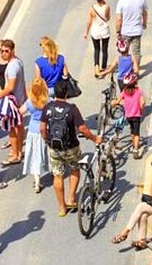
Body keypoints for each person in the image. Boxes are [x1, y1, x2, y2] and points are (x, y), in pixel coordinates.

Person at [42, 80, 101, 217]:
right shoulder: (72, 109)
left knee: (58, 175)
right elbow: (83, 129)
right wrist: (94, 138)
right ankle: (71, 198)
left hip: (54, 147)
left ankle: (62, 208)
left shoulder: (48, 108)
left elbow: (42, 128)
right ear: (67, 93)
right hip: (71, 147)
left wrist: (47, 140)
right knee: (75, 169)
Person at [0, 39, 27, 167]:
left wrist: (0, 93)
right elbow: (22, 82)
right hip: (19, 98)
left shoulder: (11, 66)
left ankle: (16, 154)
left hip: (12, 100)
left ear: (12, 50)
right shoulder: (19, 62)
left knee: (11, 127)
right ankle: (19, 151)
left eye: (6, 51)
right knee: (19, 125)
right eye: (1, 51)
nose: (3, 53)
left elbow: (10, 86)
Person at [19, 77, 49, 193]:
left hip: (33, 130)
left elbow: (21, 112)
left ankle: (37, 182)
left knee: (35, 156)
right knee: (47, 152)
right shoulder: (48, 101)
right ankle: (52, 171)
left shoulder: (30, 102)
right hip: (46, 129)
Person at [112, 71, 146, 158]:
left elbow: (118, 101)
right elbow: (142, 103)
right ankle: (135, 149)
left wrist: (113, 103)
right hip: (136, 115)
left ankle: (133, 141)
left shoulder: (124, 92)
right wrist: (141, 110)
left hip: (128, 116)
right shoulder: (138, 91)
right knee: (137, 133)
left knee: (132, 130)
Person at [116, 0, 148, 67]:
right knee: (136, 51)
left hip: (125, 31)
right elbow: (144, 13)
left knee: (124, 51)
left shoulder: (121, 2)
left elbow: (119, 19)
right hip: (137, 30)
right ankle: (136, 69)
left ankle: (127, 69)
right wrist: (144, 23)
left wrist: (118, 31)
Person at [85, 0, 113, 77]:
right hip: (104, 30)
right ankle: (103, 67)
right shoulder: (107, 7)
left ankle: (96, 69)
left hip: (95, 31)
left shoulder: (92, 8)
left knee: (96, 50)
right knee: (105, 50)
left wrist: (86, 32)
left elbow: (89, 21)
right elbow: (108, 18)